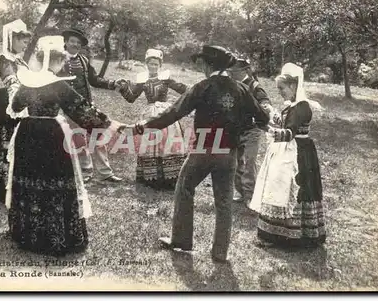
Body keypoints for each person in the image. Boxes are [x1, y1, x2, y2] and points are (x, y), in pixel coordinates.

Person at [123, 45, 270, 262]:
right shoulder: (241, 89)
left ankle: (181, 241)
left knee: (184, 187)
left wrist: (144, 125)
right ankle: (220, 252)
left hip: (204, 149)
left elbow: (173, 113)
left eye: (201, 62)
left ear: (209, 64)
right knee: (224, 200)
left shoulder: (202, 86)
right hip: (229, 153)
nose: (199, 66)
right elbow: (262, 118)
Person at [5, 36, 122, 255]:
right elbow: (82, 110)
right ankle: (55, 234)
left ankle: (27, 231)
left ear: (39, 59)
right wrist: (111, 125)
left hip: (27, 132)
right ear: (57, 61)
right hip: (51, 134)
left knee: (30, 178)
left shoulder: (28, 82)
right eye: (62, 61)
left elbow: (16, 105)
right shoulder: (59, 85)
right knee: (54, 179)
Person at [248, 63, 326, 249]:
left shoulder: (301, 107)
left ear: (293, 86)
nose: (280, 92)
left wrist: (266, 128)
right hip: (291, 150)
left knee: (289, 188)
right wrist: (269, 113)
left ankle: (290, 235)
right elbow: (284, 121)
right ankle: (279, 233)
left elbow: (289, 132)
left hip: (297, 153)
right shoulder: (294, 105)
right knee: (279, 188)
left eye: (282, 88)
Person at [115, 48, 191, 190]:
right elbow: (131, 98)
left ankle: (171, 177)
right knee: (151, 143)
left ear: (160, 65)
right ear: (146, 64)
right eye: (151, 64)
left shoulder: (166, 78)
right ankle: (152, 178)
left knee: (167, 142)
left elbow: (183, 89)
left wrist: (195, 93)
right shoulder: (142, 80)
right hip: (149, 113)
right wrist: (123, 88)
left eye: (156, 64)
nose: (153, 67)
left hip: (164, 112)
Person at [56, 28, 123, 183]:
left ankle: (105, 173)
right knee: (79, 139)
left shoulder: (84, 60)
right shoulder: (57, 59)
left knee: (98, 136)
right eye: (72, 41)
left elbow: (94, 80)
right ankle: (86, 172)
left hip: (87, 106)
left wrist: (112, 84)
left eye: (78, 43)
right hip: (69, 108)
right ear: (65, 42)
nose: (75, 45)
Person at [0, 19, 32, 203]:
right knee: (5, 143)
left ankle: (15, 185)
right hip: (8, 104)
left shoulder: (19, 59)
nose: (25, 43)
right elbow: (12, 83)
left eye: (26, 40)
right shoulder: (4, 59)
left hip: (20, 101)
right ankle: (0, 188)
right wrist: (22, 106)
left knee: (18, 143)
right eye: (21, 39)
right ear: (10, 39)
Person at [229, 57, 276, 203]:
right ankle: (241, 192)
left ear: (243, 71)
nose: (231, 74)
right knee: (236, 162)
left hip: (252, 130)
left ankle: (250, 196)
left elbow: (265, 102)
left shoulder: (255, 86)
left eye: (233, 71)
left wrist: (266, 106)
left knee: (249, 161)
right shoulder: (232, 85)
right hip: (236, 129)